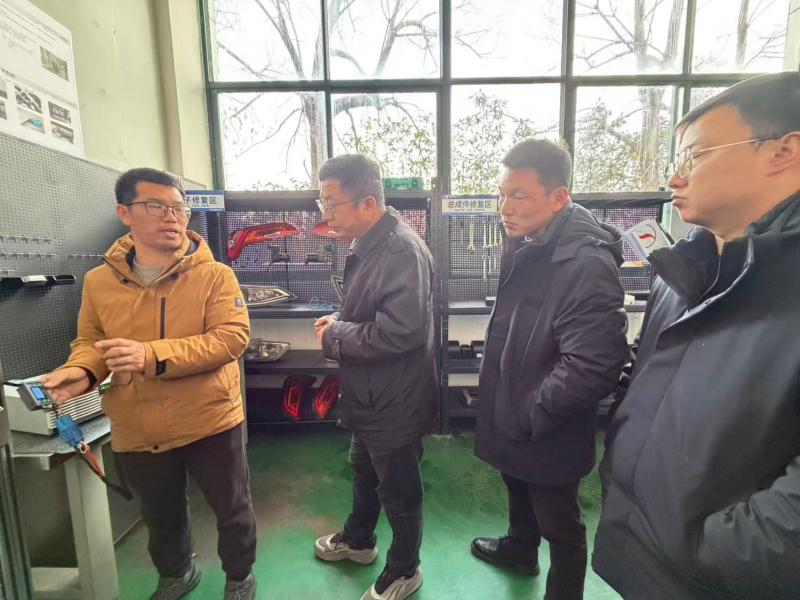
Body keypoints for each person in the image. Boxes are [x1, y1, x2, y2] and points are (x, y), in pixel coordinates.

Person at [593, 72, 800, 599]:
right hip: (642, 554)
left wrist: (708, 550)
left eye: (694, 155)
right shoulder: (684, 270)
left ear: (783, 152)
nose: (674, 177)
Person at [43, 168, 256, 600]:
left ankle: (240, 576)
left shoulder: (215, 276)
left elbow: (232, 338)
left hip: (210, 417)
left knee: (232, 508)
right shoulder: (99, 282)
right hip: (137, 422)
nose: (171, 217)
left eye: (179, 208)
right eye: (156, 206)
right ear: (125, 213)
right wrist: (83, 371)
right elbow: (92, 342)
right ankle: (177, 573)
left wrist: (152, 355)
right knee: (160, 513)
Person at [471, 139, 628, 600]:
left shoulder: (585, 262)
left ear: (559, 197)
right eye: (502, 194)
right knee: (516, 483)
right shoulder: (533, 242)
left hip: (547, 422)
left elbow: (593, 364)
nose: (504, 207)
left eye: (518, 195)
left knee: (560, 523)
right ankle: (521, 549)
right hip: (515, 408)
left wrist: (531, 412)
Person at [311, 154, 438, 600]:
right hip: (369, 394)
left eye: (331, 202)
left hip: (394, 400)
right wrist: (340, 320)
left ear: (368, 202)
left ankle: (405, 569)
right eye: (322, 201)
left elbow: (400, 333)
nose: (325, 212)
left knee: (399, 490)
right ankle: (359, 540)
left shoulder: (400, 250)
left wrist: (335, 335)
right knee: (363, 470)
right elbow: (375, 311)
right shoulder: (371, 243)